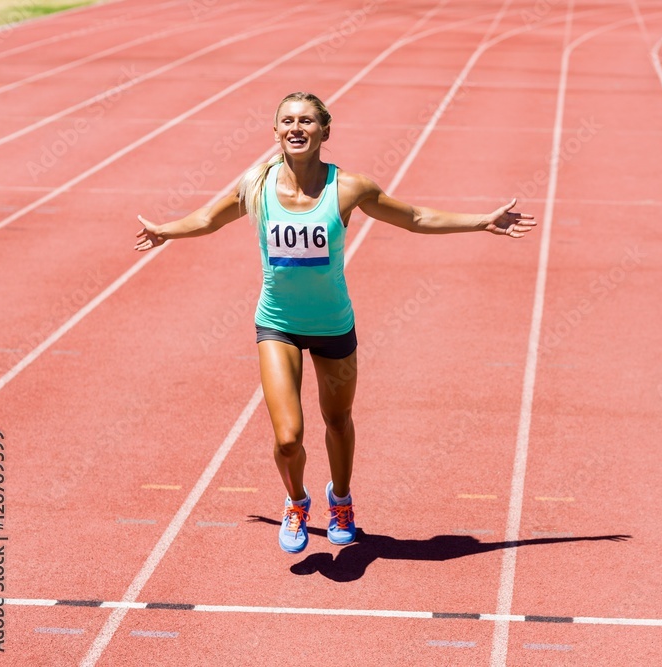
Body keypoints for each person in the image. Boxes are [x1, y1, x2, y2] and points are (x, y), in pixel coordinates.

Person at [134, 91, 536, 554]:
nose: (296, 128)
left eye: (307, 120)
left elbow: (416, 217)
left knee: (337, 419)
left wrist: (481, 221)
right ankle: (295, 501)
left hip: (332, 326)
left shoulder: (347, 188)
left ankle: (340, 499)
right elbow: (207, 218)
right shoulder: (257, 185)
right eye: (287, 120)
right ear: (276, 131)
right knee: (288, 439)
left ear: (325, 130)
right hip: (278, 324)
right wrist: (165, 230)